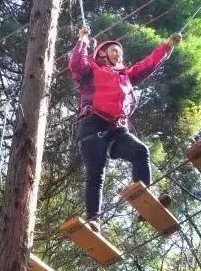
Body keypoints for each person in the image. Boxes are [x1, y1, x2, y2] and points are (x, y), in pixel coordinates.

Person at [69, 26, 182, 231]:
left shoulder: (125, 76)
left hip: (116, 127)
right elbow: (76, 63)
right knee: (96, 174)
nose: (118, 54)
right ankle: (94, 219)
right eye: (114, 50)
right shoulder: (91, 69)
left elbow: (147, 65)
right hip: (92, 124)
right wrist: (83, 40)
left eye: (120, 53)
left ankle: (144, 203)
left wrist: (166, 47)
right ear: (101, 54)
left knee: (141, 151)